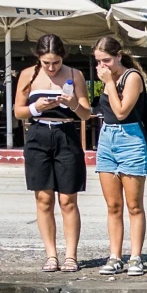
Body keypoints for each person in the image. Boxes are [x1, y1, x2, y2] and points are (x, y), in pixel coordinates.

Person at [14, 34, 90, 273]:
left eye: (55, 62)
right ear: (39, 58)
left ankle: (71, 255)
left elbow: (86, 114)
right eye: (46, 62)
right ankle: (51, 255)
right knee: (43, 199)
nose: (51, 67)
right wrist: (37, 107)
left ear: (62, 58)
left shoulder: (75, 75)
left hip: (66, 134)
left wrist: (72, 103)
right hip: (38, 135)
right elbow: (18, 111)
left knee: (68, 199)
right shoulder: (28, 75)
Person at [94, 36, 147, 277]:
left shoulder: (132, 78)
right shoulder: (107, 77)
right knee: (113, 205)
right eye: (98, 62)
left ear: (118, 56)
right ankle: (115, 255)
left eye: (106, 60)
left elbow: (121, 111)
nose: (102, 66)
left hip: (130, 138)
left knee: (134, 205)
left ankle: (135, 256)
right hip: (107, 139)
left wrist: (108, 83)